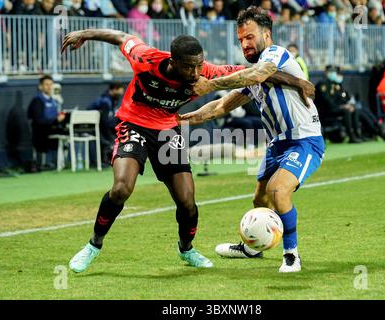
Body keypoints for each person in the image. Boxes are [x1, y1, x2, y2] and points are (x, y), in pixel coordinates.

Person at [61, 28, 313, 272]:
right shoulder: (145, 58)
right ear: (173, 62)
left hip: (167, 130)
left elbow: (256, 73)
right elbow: (121, 37)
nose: (195, 73)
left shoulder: (206, 72)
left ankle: (186, 248)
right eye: (189, 67)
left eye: (199, 65)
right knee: (121, 189)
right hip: (134, 124)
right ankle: (93, 245)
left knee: (187, 202)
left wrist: (298, 82)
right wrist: (84, 34)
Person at [180, 6, 324, 273]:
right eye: (240, 40)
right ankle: (251, 248)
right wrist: (180, 119)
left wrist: (210, 84)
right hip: (276, 144)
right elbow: (221, 107)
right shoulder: (256, 73)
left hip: (304, 140)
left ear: (266, 35)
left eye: (249, 37)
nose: (245, 44)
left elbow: (256, 74)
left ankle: (292, 255)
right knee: (259, 200)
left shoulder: (275, 55)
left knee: (278, 191)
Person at [315, 65, 363, 143]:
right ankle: (351, 136)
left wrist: (346, 105)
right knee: (346, 111)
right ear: (326, 73)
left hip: (334, 108)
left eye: (334, 72)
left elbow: (340, 98)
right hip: (325, 110)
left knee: (353, 110)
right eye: (331, 72)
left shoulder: (334, 84)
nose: (333, 74)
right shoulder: (322, 84)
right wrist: (341, 107)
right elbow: (327, 101)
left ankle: (357, 134)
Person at [27, 75, 66, 170]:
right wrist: (56, 120)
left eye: (51, 84)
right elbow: (39, 120)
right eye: (46, 84)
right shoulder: (37, 100)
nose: (49, 87)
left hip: (53, 130)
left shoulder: (54, 100)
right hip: (41, 133)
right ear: (40, 86)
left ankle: (61, 163)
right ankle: (44, 163)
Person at [88, 82, 124, 167]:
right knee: (109, 139)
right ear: (114, 90)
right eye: (119, 92)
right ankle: (103, 160)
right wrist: (111, 138)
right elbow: (104, 121)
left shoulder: (111, 99)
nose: (120, 95)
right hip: (91, 126)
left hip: (101, 125)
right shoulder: (105, 101)